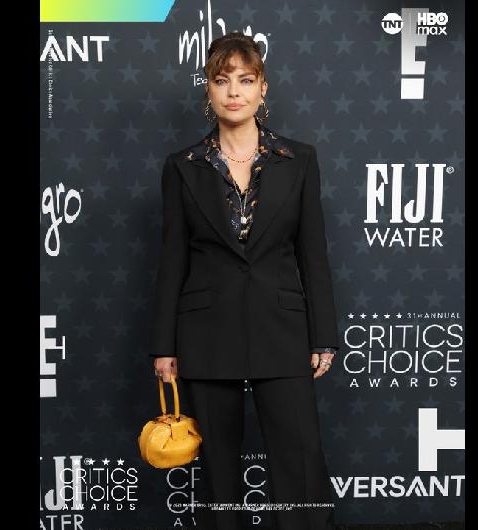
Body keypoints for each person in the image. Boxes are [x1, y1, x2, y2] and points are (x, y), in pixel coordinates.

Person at [149, 32, 339, 530]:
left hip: (282, 328)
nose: (234, 91)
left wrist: (323, 336)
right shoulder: (182, 167)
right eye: (221, 80)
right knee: (218, 475)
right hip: (206, 333)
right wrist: (163, 346)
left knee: (299, 464)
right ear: (208, 91)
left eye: (245, 80)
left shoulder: (299, 160)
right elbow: (172, 260)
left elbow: (312, 253)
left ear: (263, 89)